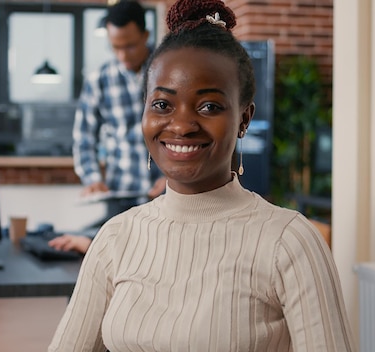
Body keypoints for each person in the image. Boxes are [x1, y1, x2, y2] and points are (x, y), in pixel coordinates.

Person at [48, 0, 356, 350]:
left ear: (244, 118)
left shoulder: (289, 241)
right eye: (162, 105)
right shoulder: (115, 238)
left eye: (209, 106)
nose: (180, 125)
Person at [49, 0, 165, 254]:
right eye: (115, 47)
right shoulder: (99, 80)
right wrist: (92, 178)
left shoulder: (168, 71)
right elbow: (83, 138)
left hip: (167, 196)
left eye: (131, 46)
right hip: (119, 197)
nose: (123, 55)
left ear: (146, 35)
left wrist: (174, 177)